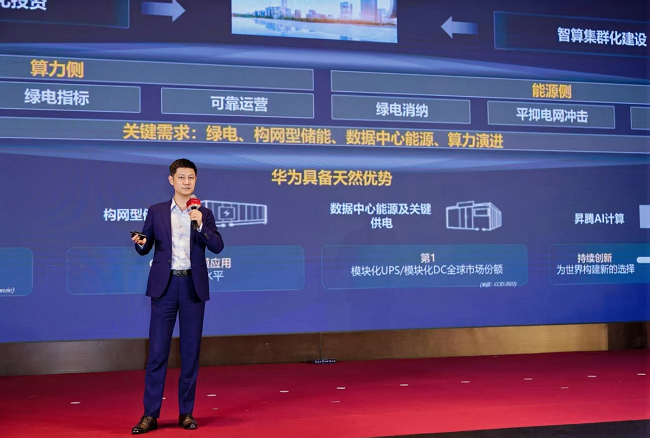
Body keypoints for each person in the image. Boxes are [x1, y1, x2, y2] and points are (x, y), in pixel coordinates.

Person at [130, 158, 224, 434]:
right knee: (157, 352)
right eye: (181, 177)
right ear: (171, 180)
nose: (186, 182)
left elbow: (218, 246)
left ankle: (186, 412)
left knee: (190, 353)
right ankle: (150, 415)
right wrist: (140, 243)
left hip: (193, 287)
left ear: (195, 180)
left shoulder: (203, 213)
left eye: (191, 177)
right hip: (165, 286)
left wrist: (201, 226)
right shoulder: (157, 211)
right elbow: (145, 245)